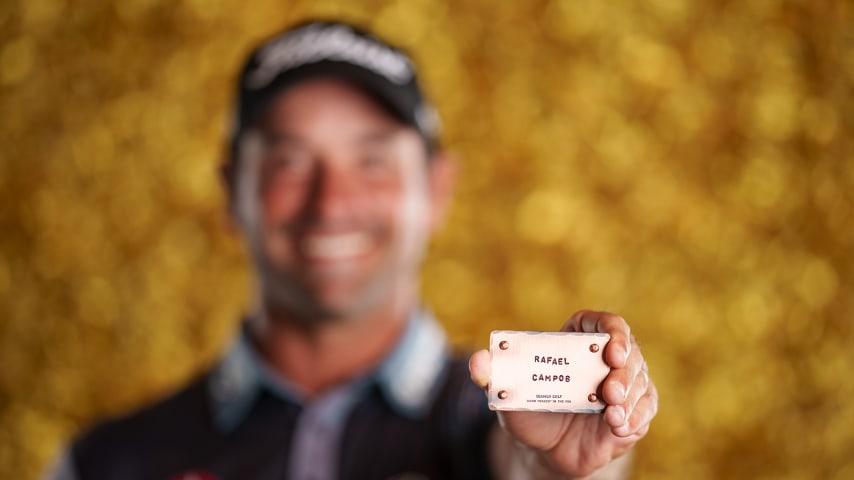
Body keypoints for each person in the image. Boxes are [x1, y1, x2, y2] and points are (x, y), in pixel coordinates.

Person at [46, 19, 657, 480]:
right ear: (233, 193)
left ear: (437, 190)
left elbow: (524, 456)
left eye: (372, 160)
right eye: (289, 161)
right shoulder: (105, 462)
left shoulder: (500, 423)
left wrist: (555, 466)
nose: (331, 203)